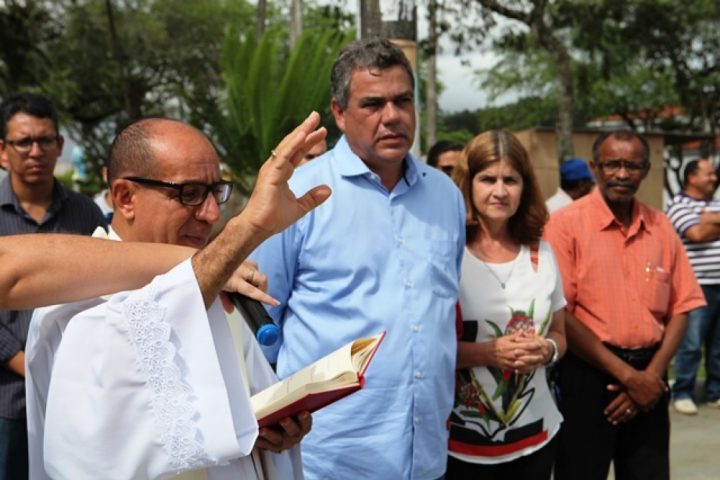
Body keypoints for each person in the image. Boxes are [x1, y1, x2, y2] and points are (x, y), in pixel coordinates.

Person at [24, 112, 330, 480]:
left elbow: (255, 403)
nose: (211, 213)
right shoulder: (70, 308)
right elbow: (96, 453)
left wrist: (277, 432)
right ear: (125, 197)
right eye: (190, 194)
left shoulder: (220, 285)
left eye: (216, 192)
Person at [252, 38, 465, 479]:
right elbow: (260, 324)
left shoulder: (446, 196)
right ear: (339, 112)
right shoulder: (300, 196)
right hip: (329, 458)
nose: (392, 116)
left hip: (425, 455)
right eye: (372, 104)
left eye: (402, 101)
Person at [545, 130, 705, 480]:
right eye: (612, 164)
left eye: (632, 166)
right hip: (588, 375)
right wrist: (629, 378)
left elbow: (682, 306)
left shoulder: (661, 226)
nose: (622, 174)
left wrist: (649, 378)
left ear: (646, 170)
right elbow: (561, 313)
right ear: (594, 168)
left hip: (651, 376)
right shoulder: (564, 225)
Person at [447, 130, 566, 479]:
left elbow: (560, 333)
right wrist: (489, 353)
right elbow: (425, 348)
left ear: (525, 187)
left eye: (510, 180)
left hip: (536, 437)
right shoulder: (446, 252)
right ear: (468, 183)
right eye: (488, 179)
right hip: (460, 444)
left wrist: (547, 350)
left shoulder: (542, 252)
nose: (500, 191)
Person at [0, 92, 106, 479]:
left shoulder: (85, 213)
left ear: (60, 145)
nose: (36, 151)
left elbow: (105, 288)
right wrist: (26, 362)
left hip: (75, 394)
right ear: (2, 151)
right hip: (9, 399)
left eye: (45, 140)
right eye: (24, 142)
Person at [665, 158, 720, 415]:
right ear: (692, 177)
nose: (714, 178)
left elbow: (704, 229)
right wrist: (705, 223)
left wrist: (710, 219)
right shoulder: (678, 204)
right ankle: (683, 391)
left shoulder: (715, 203)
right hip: (697, 286)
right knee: (691, 343)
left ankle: (715, 391)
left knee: (718, 345)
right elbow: (696, 234)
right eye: (708, 174)